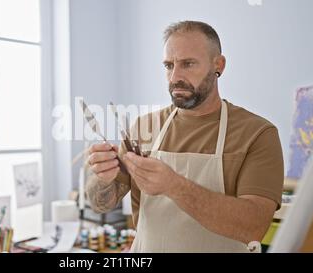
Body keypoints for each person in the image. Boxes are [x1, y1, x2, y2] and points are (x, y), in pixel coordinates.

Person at [85, 21, 284, 252]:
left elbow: (254, 227)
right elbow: (101, 203)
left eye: (188, 64)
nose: (174, 77)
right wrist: (102, 177)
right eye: (169, 65)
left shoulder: (257, 134)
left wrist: (174, 185)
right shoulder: (144, 127)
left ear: (218, 65)